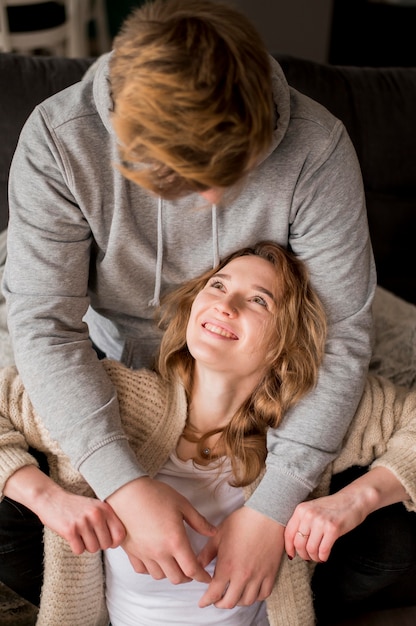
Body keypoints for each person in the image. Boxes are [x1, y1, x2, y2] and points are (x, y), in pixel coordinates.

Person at [1, 0, 376, 611]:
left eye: (231, 176)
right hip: (111, 355)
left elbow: (340, 336)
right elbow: (44, 327)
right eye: (182, 181)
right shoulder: (59, 140)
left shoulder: (316, 146)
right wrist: (122, 484)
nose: (207, 202)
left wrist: (272, 510)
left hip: (255, 368)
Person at [0, 241, 415, 626]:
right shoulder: (116, 398)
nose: (225, 304)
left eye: (258, 300)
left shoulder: (310, 422)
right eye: (218, 285)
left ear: (286, 343)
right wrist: (48, 499)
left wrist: (355, 501)